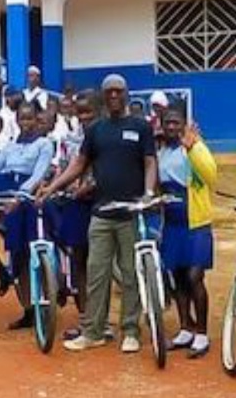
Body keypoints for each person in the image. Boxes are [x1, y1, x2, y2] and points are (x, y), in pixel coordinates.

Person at [44, 74, 156, 355]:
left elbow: (150, 162)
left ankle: (130, 331)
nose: (114, 96)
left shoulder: (140, 127)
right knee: (96, 274)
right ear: (104, 97)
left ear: (127, 94)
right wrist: (51, 187)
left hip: (129, 213)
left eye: (119, 91)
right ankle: (94, 331)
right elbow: (78, 165)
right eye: (109, 92)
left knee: (130, 275)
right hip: (101, 214)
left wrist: (148, 193)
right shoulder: (96, 130)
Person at [0, 102, 53, 329]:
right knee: (18, 255)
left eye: (30, 118)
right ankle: (28, 308)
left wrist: (20, 197)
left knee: (36, 249)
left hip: (30, 202)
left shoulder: (44, 144)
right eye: (22, 119)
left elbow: (38, 174)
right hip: (10, 198)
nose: (26, 123)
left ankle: (48, 296)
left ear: (36, 119)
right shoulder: (11, 146)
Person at [38, 90, 98, 341]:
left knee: (100, 265)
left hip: (101, 203)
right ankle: (86, 320)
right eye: (80, 112)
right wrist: (51, 185)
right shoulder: (71, 139)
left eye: (89, 112)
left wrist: (90, 185)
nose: (84, 117)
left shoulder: (106, 133)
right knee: (79, 259)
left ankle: (109, 322)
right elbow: (66, 166)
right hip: (76, 202)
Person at [157, 107, 217, 359]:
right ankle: (185, 328)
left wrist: (192, 148)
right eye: (167, 122)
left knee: (195, 277)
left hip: (195, 222)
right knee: (178, 278)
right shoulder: (161, 152)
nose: (172, 127)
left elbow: (211, 175)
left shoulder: (194, 146)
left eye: (176, 122)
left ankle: (202, 334)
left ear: (184, 124)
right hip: (171, 224)